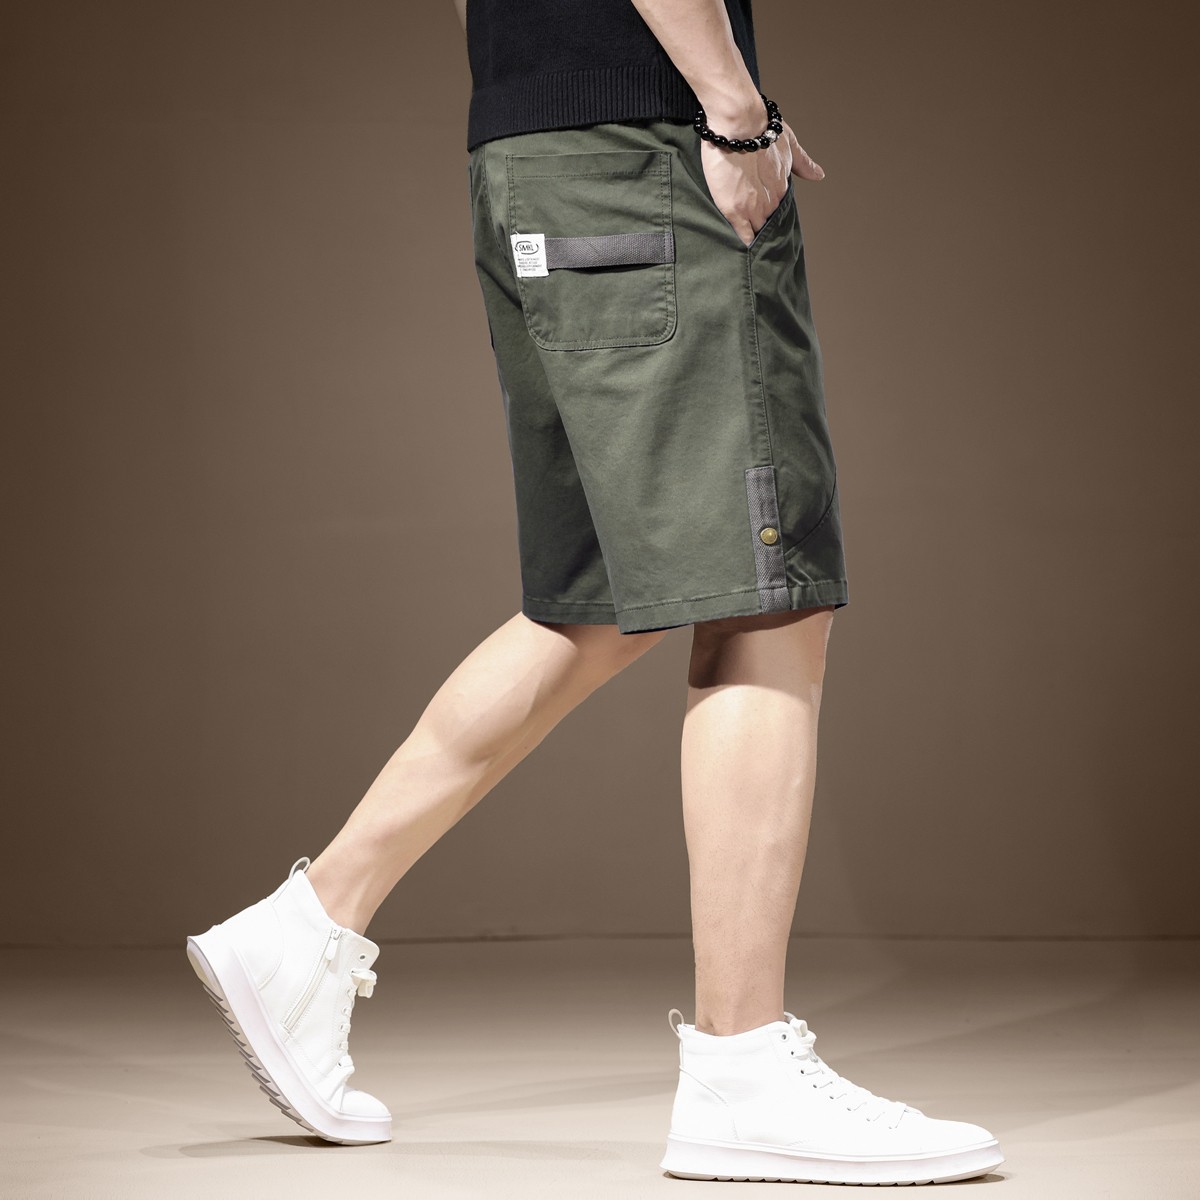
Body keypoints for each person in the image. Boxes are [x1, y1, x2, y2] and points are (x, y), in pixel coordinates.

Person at [185, 0, 1004, 1186]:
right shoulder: (691, 128)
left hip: (531, 155)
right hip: (642, 153)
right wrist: (736, 112)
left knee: (596, 600)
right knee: (763, 594)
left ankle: (307, 928)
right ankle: (742, 1072)